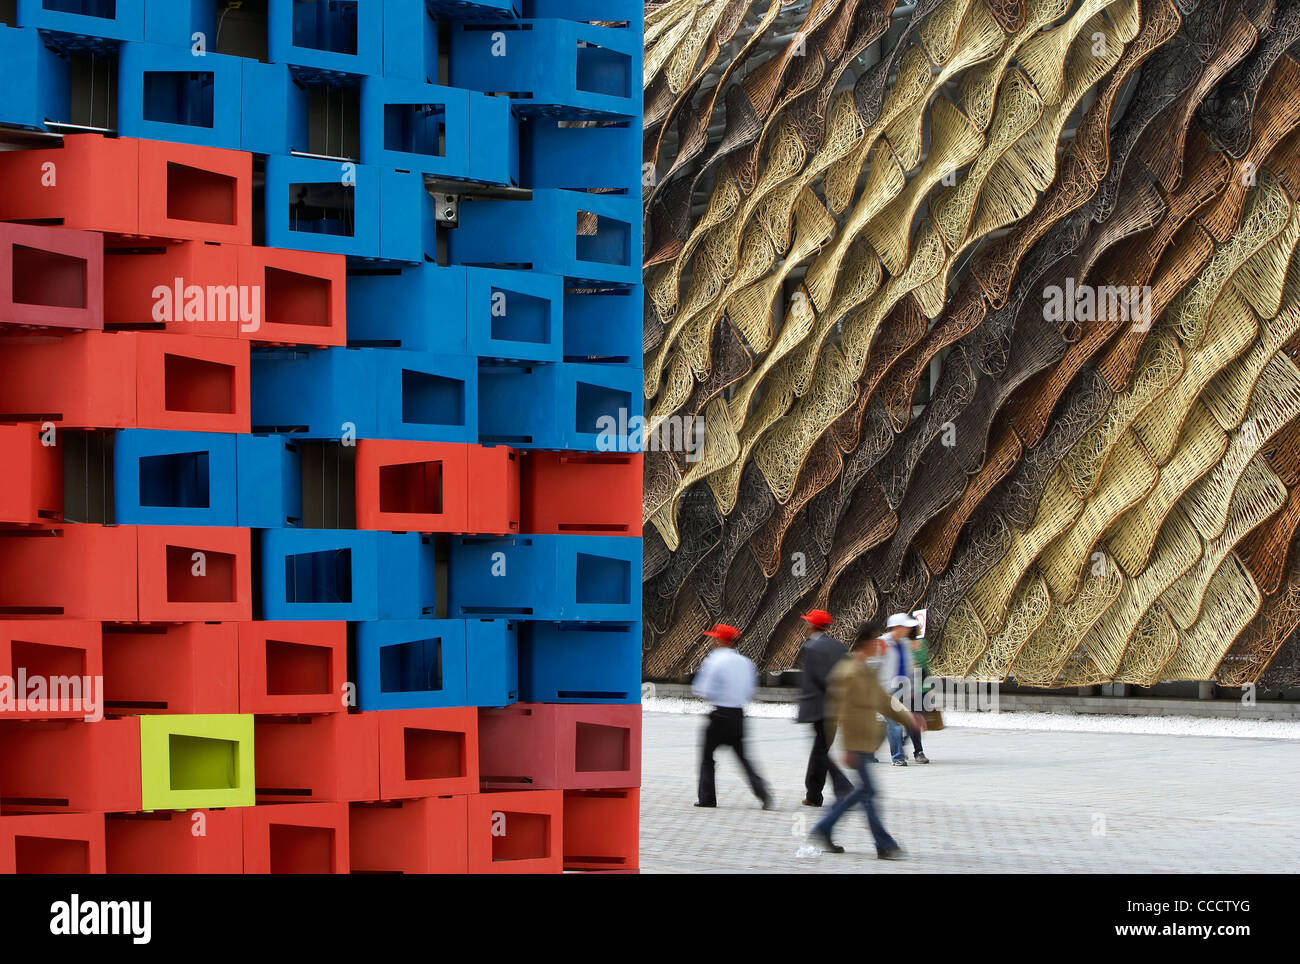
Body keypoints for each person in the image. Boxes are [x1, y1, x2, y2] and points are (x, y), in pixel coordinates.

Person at [811, 626, 926, 858]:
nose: (879, 647)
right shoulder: (848, 673)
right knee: (869, 792)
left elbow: (883, 701)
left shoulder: (865, 671)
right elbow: (837, 711)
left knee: (863, 793)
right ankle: (883, 844)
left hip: (866, 742)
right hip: (855, 744)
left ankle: (824, 828)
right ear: (865, 645)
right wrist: (843, 747)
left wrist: (909, 718)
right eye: (875, 643)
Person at [692, 623, 773, 810]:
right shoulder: (746, 662)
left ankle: (707, 797)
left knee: (707, 757)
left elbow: (702, 689)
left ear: (721, 640)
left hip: (719, 714)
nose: (712, 641)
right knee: (743, 757)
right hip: (738, 715)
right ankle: (762, 791)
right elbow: (750, 690)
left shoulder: (715, 660)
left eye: (714, 638)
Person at [796, 609, 853, 807]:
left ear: (812, 626)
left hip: (820, 708)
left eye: (807, 623)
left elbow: (819, 680)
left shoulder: (812, 648)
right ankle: (813, 793)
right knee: (820, 750)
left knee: (820, 751)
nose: (805, 626)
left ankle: (843, 787)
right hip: (836, 707)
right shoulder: (839, 647)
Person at [879, 612, 929, 765]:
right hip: (885, 690)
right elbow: (872, 665)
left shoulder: (905, 644)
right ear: (896, 627)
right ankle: (898, 757)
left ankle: (916, 751)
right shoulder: (882, 643)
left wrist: (912, 690)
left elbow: (909, 668)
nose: (907, 630)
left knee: (909, 720)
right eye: (904, 627)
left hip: (903, 688)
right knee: (894, 724)